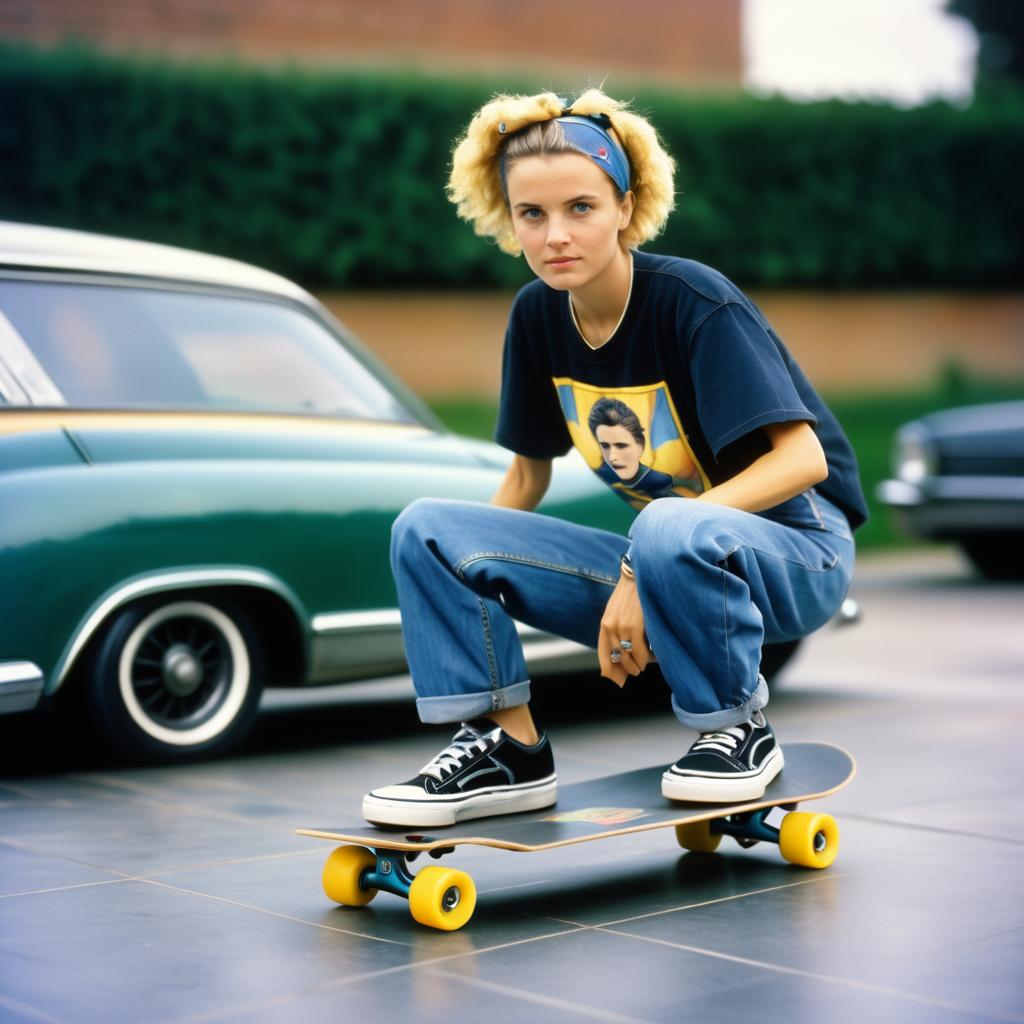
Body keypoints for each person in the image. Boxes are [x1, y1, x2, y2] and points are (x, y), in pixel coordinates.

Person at [362, 89, 867, 828]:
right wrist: (451, 588)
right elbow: (525, 479)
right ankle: (509, 748)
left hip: (798, 551)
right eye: (531, 214)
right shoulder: (537, 316)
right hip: (667, 559)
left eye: (581, 208)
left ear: (625, 208)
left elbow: (802, 462)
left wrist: (641, 560)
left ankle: (737, 728)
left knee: (664, 525)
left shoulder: (693, 302)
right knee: (428, 528)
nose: (555, 235)